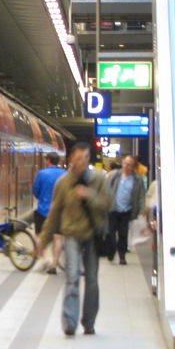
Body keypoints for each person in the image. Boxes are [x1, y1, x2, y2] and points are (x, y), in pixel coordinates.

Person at [36, 142, 111, 336]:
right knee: (72, 277)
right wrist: (43, 241)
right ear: (71, 159)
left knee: (92, 280)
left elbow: (108, 203)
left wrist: (89, 195)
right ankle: (69, 323)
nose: (82, 161)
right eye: (78, 157)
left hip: (93, 235)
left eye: (86, 157)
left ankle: (89, 322)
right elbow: (54, 213)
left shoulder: (99, 179)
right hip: (71, 235)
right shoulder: (63, 183)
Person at [104, 154, 145, 265]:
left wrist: (142, 210)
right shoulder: (114, 176)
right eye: (125, 164)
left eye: (129, 164)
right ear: (122, 164)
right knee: (110, 233)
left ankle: (122, 256)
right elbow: (106, 190)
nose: (126, 166)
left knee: (123, 234)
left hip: (126, 210)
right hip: (113, 209)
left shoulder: (137, 180)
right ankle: (111, 251)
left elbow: (141, 196)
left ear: (133, 167)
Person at [32, 152, 64, 273]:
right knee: (58, 237)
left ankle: (45, 259)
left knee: (39, 235)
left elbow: (36, 191)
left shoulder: (42, 173)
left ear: (48, 160)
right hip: (59, 211)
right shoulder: (65, 174)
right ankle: (54, 265)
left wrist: (43, 198)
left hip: (43, 210)